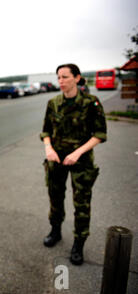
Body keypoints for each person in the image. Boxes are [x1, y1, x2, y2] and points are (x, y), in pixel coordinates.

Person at [40, 63, 107, 265]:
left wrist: (77, 153)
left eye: (65, 77)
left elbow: (100, 134)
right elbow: (45, 132)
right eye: (58, 77)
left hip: (81, 161)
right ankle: (56, 231)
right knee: (55, 197)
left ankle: (79, 243)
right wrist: (49, 149)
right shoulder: (53, 103)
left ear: (77, 78)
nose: (61, 81)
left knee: (82, 204)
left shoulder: (91, 102)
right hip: (57, 160)